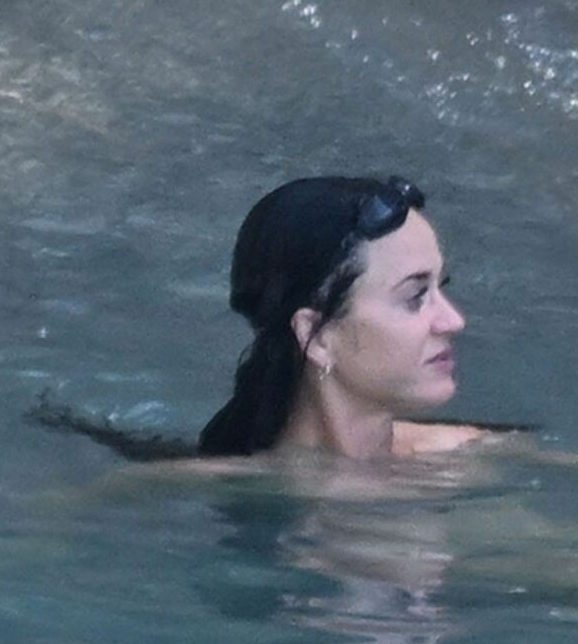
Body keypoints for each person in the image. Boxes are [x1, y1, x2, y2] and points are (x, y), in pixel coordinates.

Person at [197, 174, 487, 459]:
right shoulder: (202, 483)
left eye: (440, 287)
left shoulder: (471, 458)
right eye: (415, 297)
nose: (453, 321)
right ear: (317, 337)